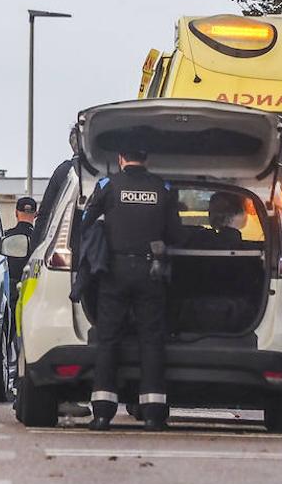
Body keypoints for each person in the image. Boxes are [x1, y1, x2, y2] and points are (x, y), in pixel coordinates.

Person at [81, 147, 181, 432]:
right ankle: (153, 414)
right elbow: (176, 234)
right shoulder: (162, 188)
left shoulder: (108, 185)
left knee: (108, 339)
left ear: (121, 159)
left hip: (114, 272)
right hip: (151, 272)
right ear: (147, 159)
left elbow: (86, 224)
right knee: (151, 340)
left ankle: (102, 414)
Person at [35, 127, 77, 242]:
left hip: (65, 244)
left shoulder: (63, 171)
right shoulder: (106, 172)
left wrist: (35, 249)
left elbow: (45, 214)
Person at [4, 196, 38, 340]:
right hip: (34, 289)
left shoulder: (6, 237)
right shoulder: (41, 238)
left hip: (10, 289)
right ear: (35, 215)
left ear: (16, 213)